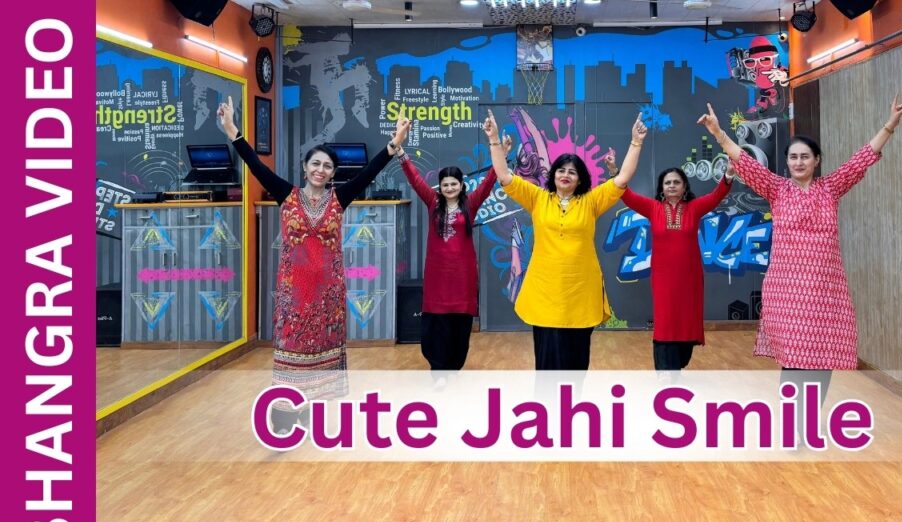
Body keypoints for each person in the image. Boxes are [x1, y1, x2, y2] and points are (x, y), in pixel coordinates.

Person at [696, 93, 902, 414]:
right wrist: (717, 132)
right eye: (793, 157)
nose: (798, 162)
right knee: (794, 359)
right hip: (788, 292)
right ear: (787, 162)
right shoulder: (777, 189)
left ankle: (807, 420)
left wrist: (890, 125)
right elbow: (745, 161)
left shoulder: (831, 188)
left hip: (825, 292)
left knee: (822, 358)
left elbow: (862, 158)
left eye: (805, 157)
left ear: (816, 161)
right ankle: (793, 422)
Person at [217, 96, 411, 432]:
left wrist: (395, 142)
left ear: (333, 173)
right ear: (305, 167)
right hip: (294, 295)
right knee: (291, 352)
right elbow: (256, 166)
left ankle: (309, 411)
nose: (321, 170)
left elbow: (369, 172)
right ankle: (283, 415)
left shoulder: (340, 198)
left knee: (322, 352)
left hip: (327, 296)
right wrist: (233, 130)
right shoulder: (287, 194)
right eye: (316, 164)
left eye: (327, 166)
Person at [482, 109, 648, 370]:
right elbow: (504, 176)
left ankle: (573, 397)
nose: (565, 174)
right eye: (561, 170)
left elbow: (623, 178)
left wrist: (636, 142)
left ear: (580, 179)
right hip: (545, 291)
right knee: (547, 360)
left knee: (576, 359)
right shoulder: (537, 198)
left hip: (580, 291)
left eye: (572, 171)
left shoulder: (591, 201)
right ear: (554, 175)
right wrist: (493, 139)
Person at [604, 152, 735, 372]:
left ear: (684, 187)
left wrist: (729, 174)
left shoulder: (694, 208)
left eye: (676, 182)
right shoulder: (653, 208)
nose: (672, 186)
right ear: (661, 188)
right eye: (667, 183)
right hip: (663, 277)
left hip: (690, 277)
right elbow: (626, 195)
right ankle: (665, 369)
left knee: (687, 318)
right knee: (665, 320)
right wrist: (614, 171)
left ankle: (679, 361)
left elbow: (716, 196)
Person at [392, 132, 513, 370]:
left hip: (463, 275)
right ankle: (438, 366)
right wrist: (400, 150)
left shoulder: (471, 203)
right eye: (445, 184)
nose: (449, 188)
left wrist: (502, 154)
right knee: (435, 322)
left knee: (460, 322)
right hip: (437, 275)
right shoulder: (432, 202)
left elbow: (489, 180)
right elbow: (415, 179)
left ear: (461, 185)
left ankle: (454, 367)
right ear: (440, 187)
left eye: (453, 184)